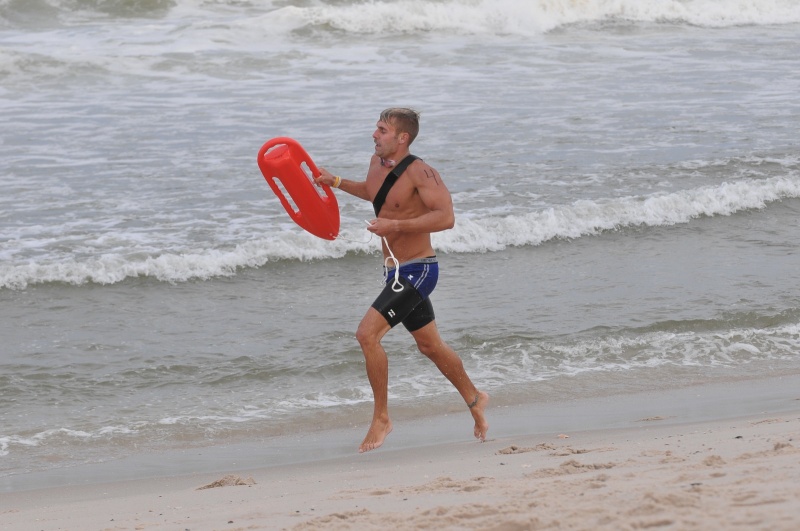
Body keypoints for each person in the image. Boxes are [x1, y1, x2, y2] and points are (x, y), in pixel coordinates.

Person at [315, 108, 489, 453]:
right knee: (430, 346)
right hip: (394, 271)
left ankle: (382, 418)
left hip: (419, 269)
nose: (374, 134)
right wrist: (335, 182)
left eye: (382, 130)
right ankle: (475, 399)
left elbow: (446, 218)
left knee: (367, 335)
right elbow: (377, 194)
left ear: (402, 137)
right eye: (376, 128)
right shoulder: (376, 164)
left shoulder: (421, 172)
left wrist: (393, 226)